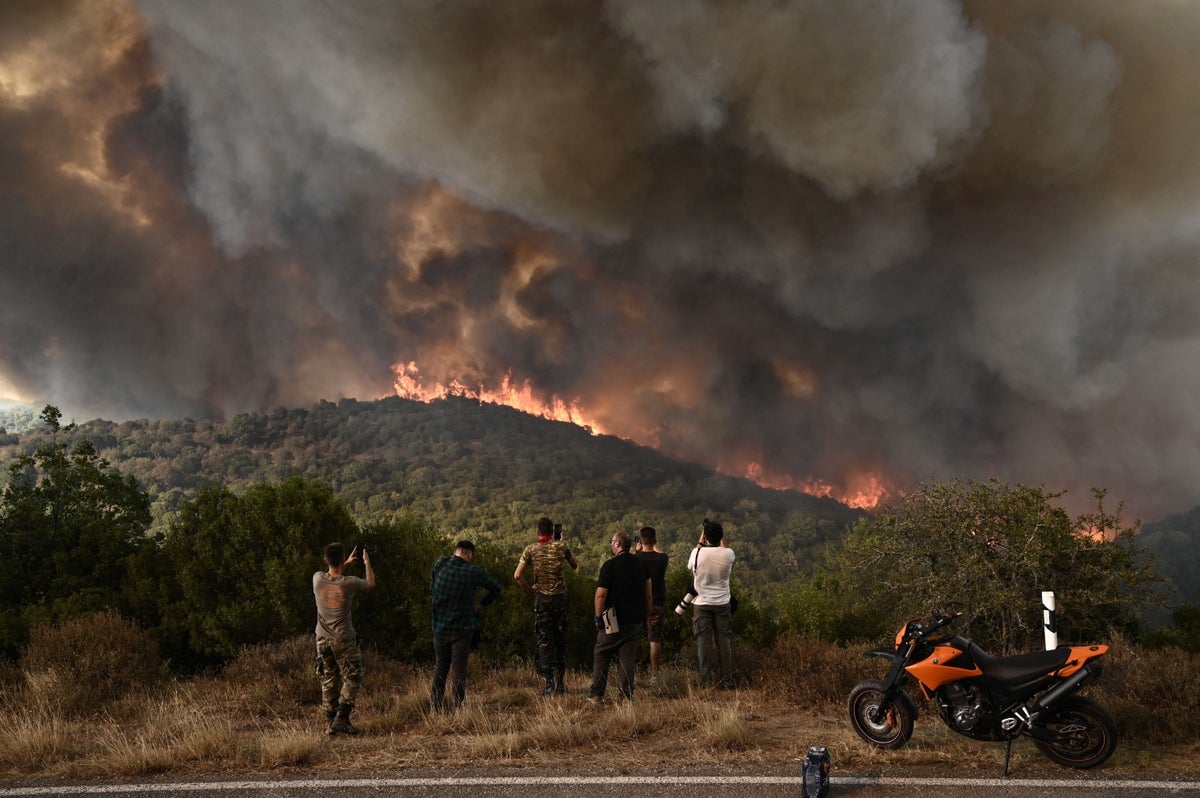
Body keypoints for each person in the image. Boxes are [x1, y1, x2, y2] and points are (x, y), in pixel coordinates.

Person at [430, 540, 502, 712]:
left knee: (441, 667)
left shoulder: (440, 563)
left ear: (456, 551)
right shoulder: (473, 572)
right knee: (459, 669)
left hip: (439, 625)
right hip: (462, 627)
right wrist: (482, 604)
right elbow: (496, 588)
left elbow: (432, 586)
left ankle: (436, 708)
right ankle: (458, 708)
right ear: (470, 554)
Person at [313, 542, 375, 735]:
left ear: (325, 559)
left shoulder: (317, 579)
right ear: (341, 559)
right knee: (353, 676)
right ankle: (342, 717)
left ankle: (331, 723)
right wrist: (366, 562)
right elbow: (370, 583)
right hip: (343, 639)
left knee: (329, 679)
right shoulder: (349, 583)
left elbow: (332, 572)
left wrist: (344, 563)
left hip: (321, 638)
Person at [514, 517, 579, 695]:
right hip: (560, 599)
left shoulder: (531, 549)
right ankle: (560, 683)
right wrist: (561, 543)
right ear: (553, 532)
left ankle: (549, 684)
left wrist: (531, 590)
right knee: (560, 640)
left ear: (538, 532)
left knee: (545, 641)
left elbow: (517, 575)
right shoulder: (561, 546)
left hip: (542, 599)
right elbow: (575, 565)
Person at [588, 530, 651, 703]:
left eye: (612, 541)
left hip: (613, 619)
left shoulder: (609, 566)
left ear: (617, 544)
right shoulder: (641, 565)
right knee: (627, 657)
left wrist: (597, 617)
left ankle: (597, 695)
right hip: (635, 619)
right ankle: (625, 697)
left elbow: (600, 595)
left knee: (602, 652)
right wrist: (646, 618)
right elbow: (648, 595)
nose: (611, 544)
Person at [688, 519, 735, 689]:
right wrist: (718, 535)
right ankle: (727, 681)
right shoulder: (728, 554)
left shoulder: (697, 553)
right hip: (723, 602)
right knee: (724, 641)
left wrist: (703, 536)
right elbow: (726, 548)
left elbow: (691, 565)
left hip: (701, 603)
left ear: (706, 537)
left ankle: (706, 681)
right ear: (721, 536)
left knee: (703, 642)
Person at [633, 526, 669, 682]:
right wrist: (654, 544)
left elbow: (629, 559)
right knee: (654, 639)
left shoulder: (636, 559)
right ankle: (655, 675)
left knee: (632, 637)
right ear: (654, 540)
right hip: (657, 602)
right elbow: (661, 552)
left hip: (638, 602)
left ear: (641, 541)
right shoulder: (662, 558)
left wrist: (636, 550)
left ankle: (630, 673)